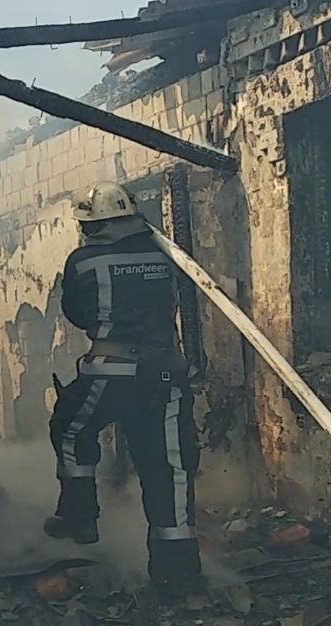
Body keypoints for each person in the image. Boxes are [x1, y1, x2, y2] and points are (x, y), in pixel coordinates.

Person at [45, 181, 203, 597]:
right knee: (169, 470)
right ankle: (177, 576)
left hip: (110, 371)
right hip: (165, 376)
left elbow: (78, 315)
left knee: (72, 429)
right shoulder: (164, 255)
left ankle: (80, 514)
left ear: (90, 224)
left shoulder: (83, 262)